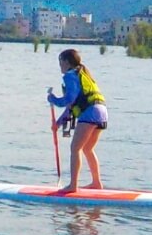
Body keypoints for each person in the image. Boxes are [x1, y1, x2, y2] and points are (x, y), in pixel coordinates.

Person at [46, 48, 108, 194]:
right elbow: (71, 107)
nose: (59, 65)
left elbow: (69, 99)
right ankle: (96, 183)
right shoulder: (82, 74)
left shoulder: (70, 76)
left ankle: (73, 186)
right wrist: (58, 124)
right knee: (87, 148)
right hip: (101, 111)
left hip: (90, 112)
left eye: (60, 62)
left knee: (75, 148)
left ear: (67, 62)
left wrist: (53, 99)